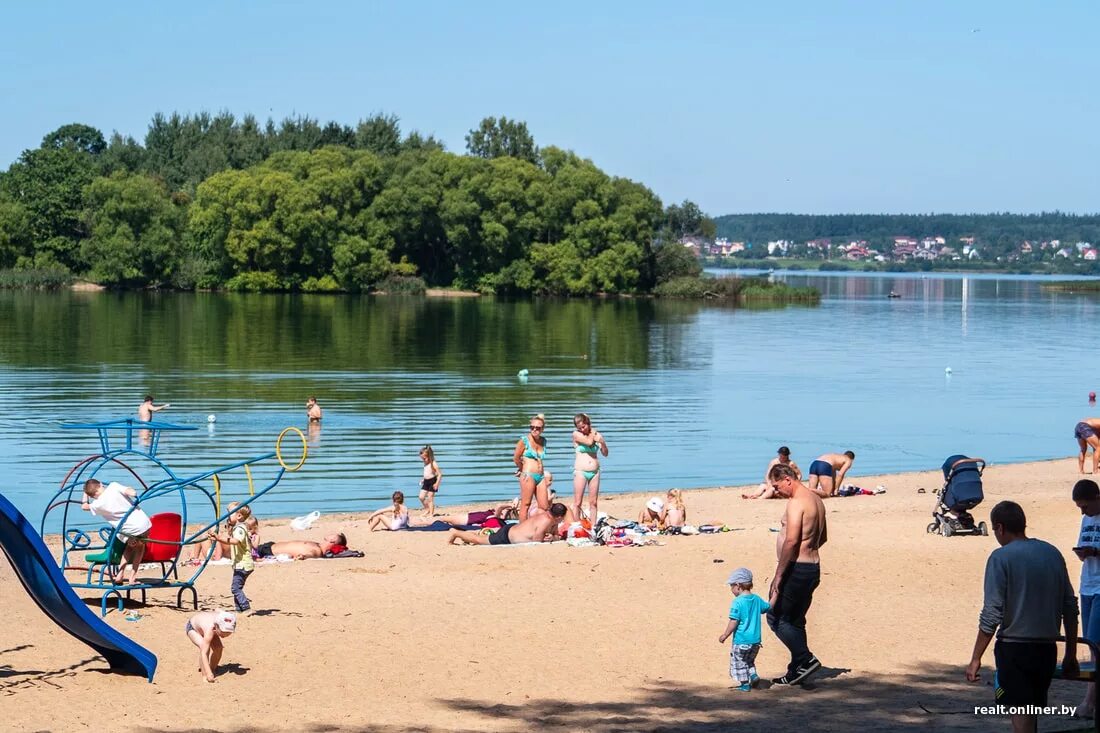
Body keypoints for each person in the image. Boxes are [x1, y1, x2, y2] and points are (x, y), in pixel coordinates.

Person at [966, 501, 1079, 733]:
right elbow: (1069, 606)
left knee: (1021, 712)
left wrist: (976, 657)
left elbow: (992, 612)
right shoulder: (1051, 553)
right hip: (1047, 648)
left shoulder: (1000, 558)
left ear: (1000, 528)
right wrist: (1070, 652)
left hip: (1015, 648)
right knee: (1031, 711)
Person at [766, 463, 827, 686]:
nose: (776, 491)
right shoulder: (816, 500)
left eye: (777, 486)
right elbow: (823, 537)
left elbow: (791, 541)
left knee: (775, 617)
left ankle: (805, 658)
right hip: (812, 567)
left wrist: (779, 575)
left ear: (787, 480)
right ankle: (796, 669)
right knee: (795, 620)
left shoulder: (796, 503)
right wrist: (808, 549)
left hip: (796, 569)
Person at [81, 478, 152, 585]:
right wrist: (132, 492)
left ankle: (121, 574)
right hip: (143, 525)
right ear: (100, 484)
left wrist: (85, 495)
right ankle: (132, 577)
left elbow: (84, 507)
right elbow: (132, 492)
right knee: (139, 547)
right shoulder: (113, 486)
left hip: (129, 530)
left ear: (92, 496)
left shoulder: (98, 504)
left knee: (130, 547)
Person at [1072, 480, 1100, 718]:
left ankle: (1090, 701)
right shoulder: (1086, 520)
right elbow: (1084, 546)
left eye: (1085, 506)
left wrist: (1096, 552)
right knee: (1090, 641)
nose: (1083, 511)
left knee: (1095, 645)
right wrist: (1084, 553)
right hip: (1087, 585)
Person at [718, 567, 771, 692]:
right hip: (756, 641)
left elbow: (734, 621)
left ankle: (744, 684)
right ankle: (753, 675)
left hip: (742, 640)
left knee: (739, 661)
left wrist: (725, 634)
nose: (731, 590)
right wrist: (775, 595)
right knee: (749, 660)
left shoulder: (737, 602)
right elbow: (767, 607)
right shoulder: (757, 599)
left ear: (738, 585)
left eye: (731, 586)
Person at [207, 505, 255, 612]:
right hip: (240, 564)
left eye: (230, 513)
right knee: (237, 587)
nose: (227, 516)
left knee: (235, 588)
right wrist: (225, 530)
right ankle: (239, 609)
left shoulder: (240, 529)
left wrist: (219, 538)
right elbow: (231, 536)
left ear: (238, 516)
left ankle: (246, 607)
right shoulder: (239, 528)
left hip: (243, 564)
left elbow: (235, 541)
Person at [446, 503, 566, 546]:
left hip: (512, 529)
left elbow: (555, 536)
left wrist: (553, 537)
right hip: (507, 536)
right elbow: (536, 541)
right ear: (560, 516)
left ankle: (464, 535)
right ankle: (456, 533)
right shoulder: (545, 521)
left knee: (481, 538)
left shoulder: (552, 519)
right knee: (479, 540)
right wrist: (548, 539)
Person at [572, 413, 608, 526]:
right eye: (580, 428)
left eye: (584, 426)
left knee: (593, 502)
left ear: (588, 424)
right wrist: (593, 431)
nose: (582, 429)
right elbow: (588, 442)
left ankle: (593, 525)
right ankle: (576, 525)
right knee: (578, 502)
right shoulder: (576, 434)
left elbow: (605, 453)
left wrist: (602, 442)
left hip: (595, 472)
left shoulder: (596, 435)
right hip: (581, 471)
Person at [514, 414, 550, 522]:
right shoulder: (524, 440)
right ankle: (522, 530)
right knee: (526, 504)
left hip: (540, 476)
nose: (534, 430)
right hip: (528, 475)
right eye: (532, 427)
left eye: (538, 428)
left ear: (542, 429)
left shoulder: (543, 441)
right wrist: (522, 469)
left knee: (544, 506)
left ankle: (540, 527)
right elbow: (516, 458)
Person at [185, 610, 237, 683]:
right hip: (193, 628)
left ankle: (212, 669)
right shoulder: (210, 628)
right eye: (223, 632)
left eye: (228, 633)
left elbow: (218, 610)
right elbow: (204, 653)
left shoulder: (225, 617)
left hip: (209, 628)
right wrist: (208, 674)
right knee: (204, 647)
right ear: (216, 626)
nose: (224, 635)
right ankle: (205, 675)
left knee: (218, 648)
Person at [423, 500, 518, 529]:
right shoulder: (499, 516)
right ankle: (423, 522)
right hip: (472, 517)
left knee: (444, 518)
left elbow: (499, 506)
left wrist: (509, 505)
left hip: (471, 519)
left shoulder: (499, 517)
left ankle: (422, 522)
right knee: (444, 519)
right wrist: (511, 505)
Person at [253, 533, 347, 560]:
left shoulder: (318, 551)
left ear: (332, 541)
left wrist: (303, 556)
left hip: (268, 552)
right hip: (270, 545)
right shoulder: (317, 544)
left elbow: (310, 554)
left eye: (333, 535)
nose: (330, 533)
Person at [417, 445, 443, 518]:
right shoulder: (425, 462)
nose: (423, 460)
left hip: (432, 482)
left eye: (424, 458)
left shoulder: (433, 463)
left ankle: (431, 514)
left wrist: (437, 483)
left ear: (429, 456)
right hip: (426, 481)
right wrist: (423, 479)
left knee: (430, 498)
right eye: (422, 459)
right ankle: (427, 509)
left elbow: (440, 474)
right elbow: (426, 472)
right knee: (421, 497)